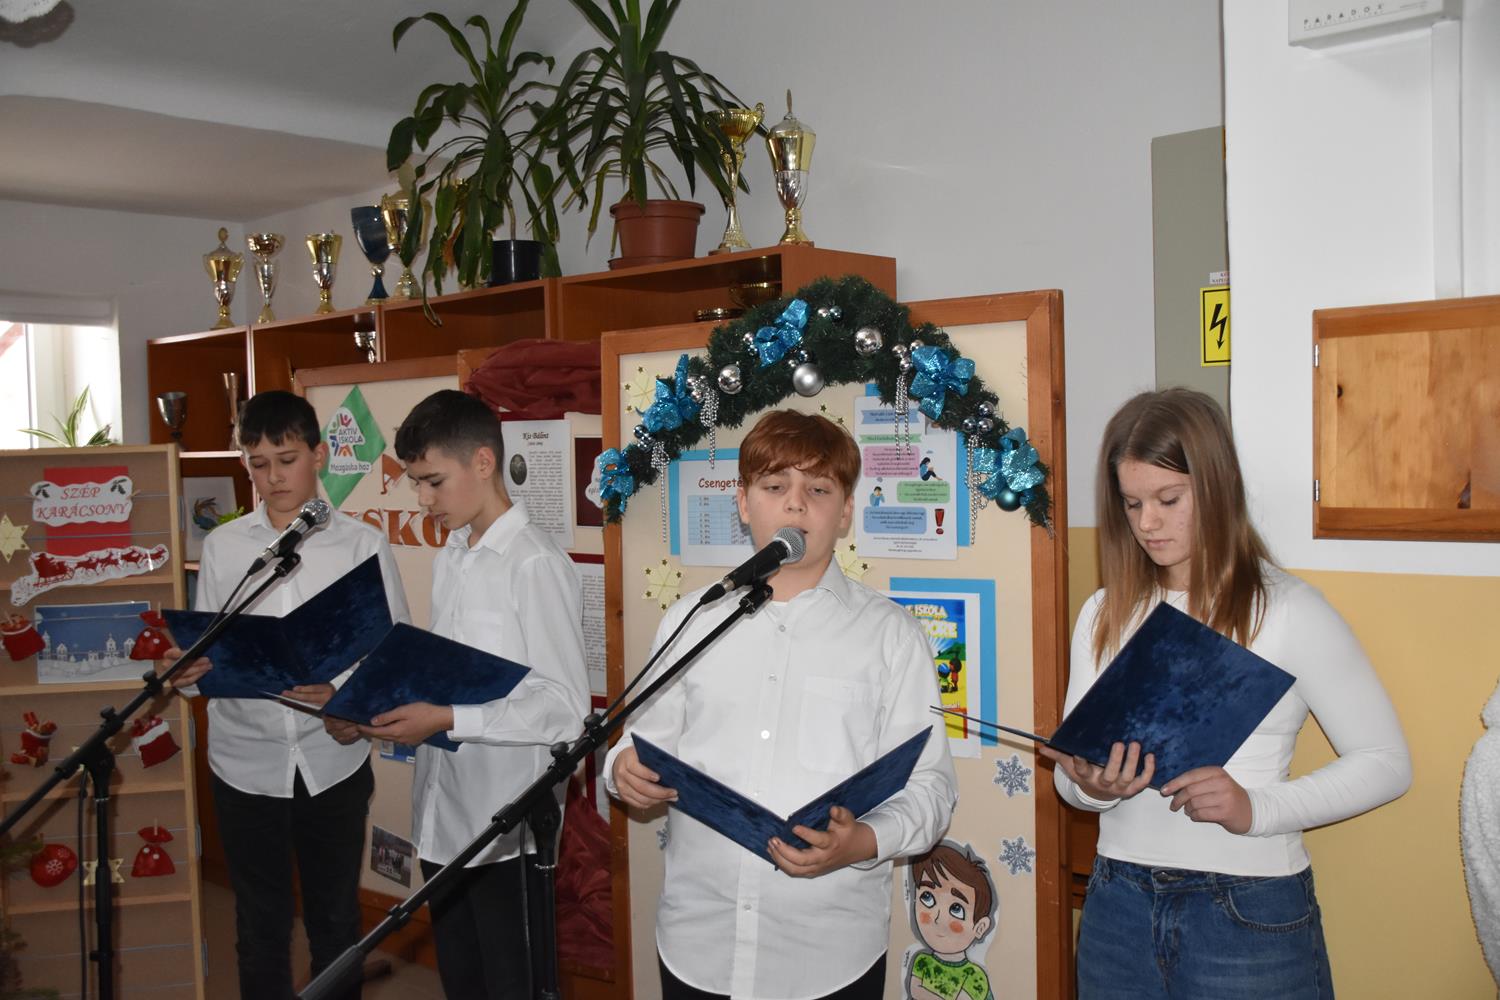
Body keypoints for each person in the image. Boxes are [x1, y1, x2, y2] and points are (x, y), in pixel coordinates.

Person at [1044, 388, 1411, 999]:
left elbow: (1387, 763)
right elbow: (1070, 781)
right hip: (1118, 903)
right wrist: (1092, 785)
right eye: (1132, 503)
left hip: (1246, 907)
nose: (1147, 523)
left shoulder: (1288, 610)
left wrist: (1255, 808)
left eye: (1168, 500)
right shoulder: (1105, 612)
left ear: (1217, 487)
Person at [606, 409, 958, 1000]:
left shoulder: (892, 636)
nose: (795, 504)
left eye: (818, 490)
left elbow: (931, 789)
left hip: (827, 955)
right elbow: (641, 745)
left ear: (845, 511)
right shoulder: (692, 619)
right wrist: (624, 772)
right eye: (774, 487)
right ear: (743, 503)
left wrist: (861, 842)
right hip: (699, 940)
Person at [167, 390, 410, 1000]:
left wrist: (342, 695)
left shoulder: (360, 544)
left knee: (335, 919)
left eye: (287, 459)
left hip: (332, 759)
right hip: (244, 763)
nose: (273, 477)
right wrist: (188, 671)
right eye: (259, 464)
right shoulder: (225, 546)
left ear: (318, 456)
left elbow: (392, 649)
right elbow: (210, 649)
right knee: (260, 923)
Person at [355, 389, 589, 1000]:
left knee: (512, 984)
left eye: (433, 481)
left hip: (504, 829)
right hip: (443, 814)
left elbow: (565, 709)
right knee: (462, 982)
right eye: (415, 482)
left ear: (483, 463)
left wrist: (447, 718)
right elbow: (453, 672)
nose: (422, 499)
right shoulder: (454, 553)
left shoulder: (534, 563)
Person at [908, 842, 997, 1000]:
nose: (937, 917)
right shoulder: (922, 961)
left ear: (980, 927)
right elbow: (915, 990)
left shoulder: (974, 976)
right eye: (927, 898)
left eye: (956, 909)